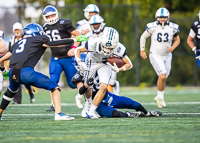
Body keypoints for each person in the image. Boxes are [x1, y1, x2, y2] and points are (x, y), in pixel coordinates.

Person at [0, 23, 87, 121]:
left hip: (13, 72)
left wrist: (4, 72)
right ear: (36, 33)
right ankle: (58, 114)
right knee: (55, 87)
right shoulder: (39, 39)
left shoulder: (17, 43)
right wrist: (74, 39)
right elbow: (55, 43)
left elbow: (3, 59)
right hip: (26, 72)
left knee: (10, 92)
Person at [74, 27, 133, 118]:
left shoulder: (119, 48)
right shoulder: (94, 43)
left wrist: (119, 69)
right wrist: (80, 62)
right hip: (92, 61)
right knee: (87, 85)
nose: (107, 49)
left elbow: (129, 64)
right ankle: (88, 104)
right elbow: (77, 50)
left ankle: (92, 111)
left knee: (104, 86)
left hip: (104, 63)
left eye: (110, 47)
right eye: (105, 46)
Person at [42, 5, 83, 111]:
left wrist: (74, 48)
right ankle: (53, 104)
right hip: (55, 58)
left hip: (68, 58)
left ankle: (83, 97)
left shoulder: (64, 23)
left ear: (56, 14)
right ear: (45, 17)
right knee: (53, 80)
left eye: (52, 15)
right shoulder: (44, 27)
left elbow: (79, 36)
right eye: (48, 16)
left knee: (73, 82)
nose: (51, 18)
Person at [140, 7, 180, 108]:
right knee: (162, 75)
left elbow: (177, 40)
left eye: (164, 17)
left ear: (168, 17)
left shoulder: (172, 27)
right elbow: (143, 37)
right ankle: (160, 98)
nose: (162, 19)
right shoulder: (152, 26)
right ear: (157, 17)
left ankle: (159, 97)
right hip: (155, 54)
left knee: (164, 77)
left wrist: (172, 48)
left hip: (167, 55)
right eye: (160, 17)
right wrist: (142, 50)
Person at [76, 72, 162, 118]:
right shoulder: (81, 75)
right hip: (97, 103)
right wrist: (87, 85)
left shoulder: (102, 68)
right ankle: (128, 114)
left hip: (108, 97)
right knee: (115, 114)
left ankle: (147, 113)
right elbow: (80, 91)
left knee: (132, 103)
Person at [74, 4, 100, 108]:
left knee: (96, 80)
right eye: (91, 13)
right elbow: (76, 37)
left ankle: (90, 100)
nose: (93, 15)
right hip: (84, 53)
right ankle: (82, 97)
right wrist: (73, 48)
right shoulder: (82, 24)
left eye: (95, 13)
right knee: (85, 78)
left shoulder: (99, 22)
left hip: (96, 54)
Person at [8, 22, 35, 104]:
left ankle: (31, 92)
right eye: (15, 30)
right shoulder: (12, 40)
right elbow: (10, 52)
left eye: (18, 29)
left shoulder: (27, 38)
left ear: (22, 30)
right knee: (16, 80)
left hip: (25, 62)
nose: (17, 31)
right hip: (15, 63)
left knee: (26, 80)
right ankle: (17, 100)